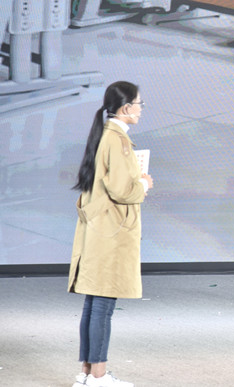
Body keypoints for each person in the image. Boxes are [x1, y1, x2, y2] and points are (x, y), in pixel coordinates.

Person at [68, 81, 153, 387]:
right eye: (139, 104)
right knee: (102, 306)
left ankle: (87, 373)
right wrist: (142, 184)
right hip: (111, 232)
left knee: (94, 304)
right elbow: (120, 190)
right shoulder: (117, 140)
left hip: (101, 230)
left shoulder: (106, 135)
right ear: (126, 107)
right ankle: (98, 376)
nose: (141, 110)